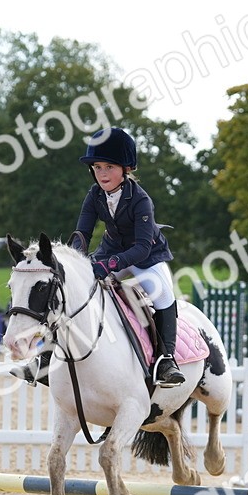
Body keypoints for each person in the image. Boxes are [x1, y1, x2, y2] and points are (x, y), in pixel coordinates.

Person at [68, 127, 185, 387]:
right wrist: (75, 261)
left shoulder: (141, 200)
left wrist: (108, 265)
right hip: (110, 249)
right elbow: (82, 234)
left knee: (164, 295)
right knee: (78, 288)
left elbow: (142, 247)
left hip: (147, 256)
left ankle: (167, 360)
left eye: (109, 166)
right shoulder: (94, 195)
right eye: (97, 167)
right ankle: (50, 354)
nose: (102, 174)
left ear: (126, 168)